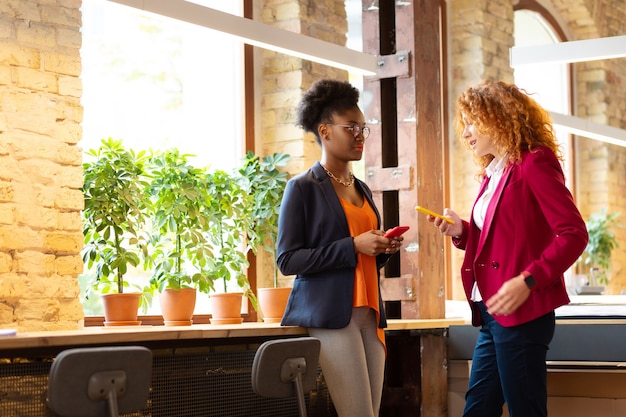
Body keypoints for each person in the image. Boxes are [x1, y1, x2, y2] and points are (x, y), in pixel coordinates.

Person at [427, 80, 588, 417]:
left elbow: (573, 234)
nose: (466, 132)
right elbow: (504, 241)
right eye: (464, 123)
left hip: (523, 312)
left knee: (525, 411)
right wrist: (463, 231)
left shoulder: (534, 162)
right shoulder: (494, 174)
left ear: (498, 117)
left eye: (473, 121)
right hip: (491, 311)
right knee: (477, 410)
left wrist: (527, 280)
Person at [276, 79, 402, 417]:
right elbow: (287, 260)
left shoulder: (362, 189)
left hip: (369, 313)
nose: (360, 135)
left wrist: (381, 249)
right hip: (332, 315)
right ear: (325, 131)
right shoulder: (302, 188)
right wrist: (353, 245)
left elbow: (360, 259)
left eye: (363, 128)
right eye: (351, 128)